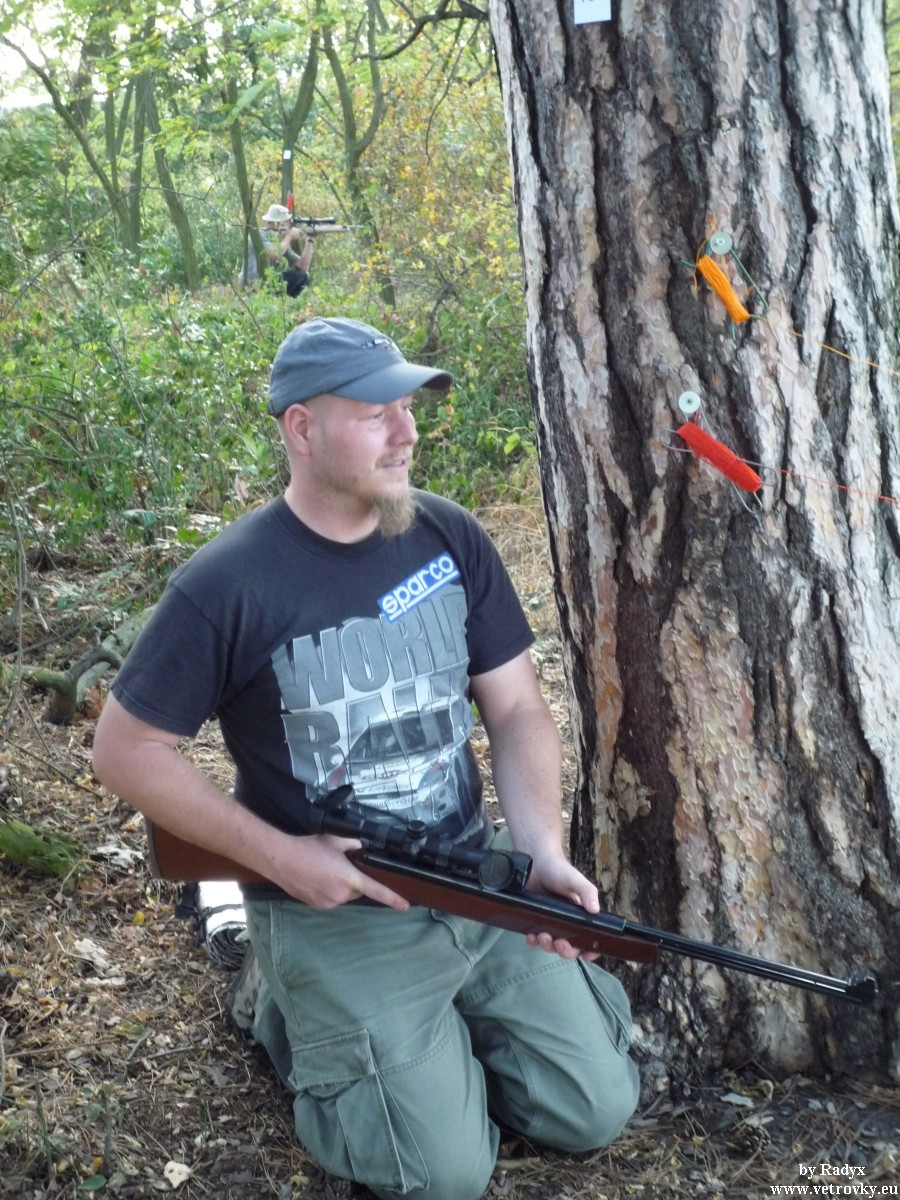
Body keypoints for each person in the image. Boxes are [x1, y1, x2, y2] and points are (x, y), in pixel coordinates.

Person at [92, 318, 640, 1200]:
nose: (407, 432)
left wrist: (540, 849)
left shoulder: (449, 537)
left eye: (410, 408)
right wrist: (283, 860)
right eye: (377, 412)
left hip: (474, 876)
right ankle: (279, 999)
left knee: (594, 1109)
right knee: (444, 1176)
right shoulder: (227, 584)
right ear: (301, 428)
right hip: (334, 908)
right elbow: (125, 750)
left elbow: (516, 709)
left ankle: (417, 1042)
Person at [239, 202, 315, 296]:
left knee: (303, 276)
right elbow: (275, 254)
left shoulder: (281, 242)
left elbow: (303, 266)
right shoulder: (258, 236)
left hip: (267, 283)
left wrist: (310, 240)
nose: (270, 225)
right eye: (270, 222)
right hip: (252, 286)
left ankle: (289, 304)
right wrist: (289, 236)